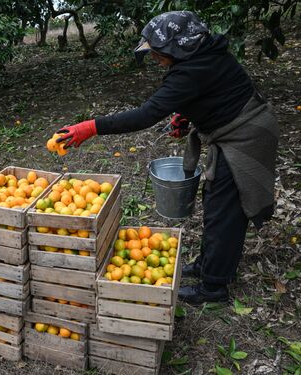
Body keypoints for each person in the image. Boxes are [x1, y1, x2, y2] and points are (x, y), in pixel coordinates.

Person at [56, 11, 279, 305]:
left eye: (157, 52)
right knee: (215, 203)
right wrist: (184, 114)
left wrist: (91, 127)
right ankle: (208, 266)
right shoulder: (203, 53)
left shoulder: (190, 71)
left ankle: (213, 288)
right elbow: (213, 91)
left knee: (225, 212)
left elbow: (146, 114)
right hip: (238, 128)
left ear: (176, 45)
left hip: (246, 136)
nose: (154, 57)